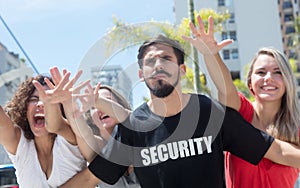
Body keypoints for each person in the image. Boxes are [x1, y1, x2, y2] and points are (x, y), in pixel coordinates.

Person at [61, 31, 300, 188]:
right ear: (141, 74)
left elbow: (275, 150)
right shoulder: (133, 127)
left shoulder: (210, 113)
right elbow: (91, 177)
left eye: (166, 58)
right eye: (150, 61)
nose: (158, 65)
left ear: (182, 69)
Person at [183, 15, 300, 188]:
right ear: (250, 83)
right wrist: (211, 54)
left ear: (287, 81)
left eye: (278, 72)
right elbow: (225, 87)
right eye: (261, 72)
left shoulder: (296, 126)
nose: (269, 78)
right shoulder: (242, 113)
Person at [33, 67, 140, 188]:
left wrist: (97, 100)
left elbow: (128, 118)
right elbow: (83, 134)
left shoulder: (142, 132)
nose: (99, 109)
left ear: (120, 105)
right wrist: (68, 102)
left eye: (106, 101)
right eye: (93, 107)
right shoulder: (99, 148)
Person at [0, 74, 86, 188]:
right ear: (24, 108)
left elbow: (56, 125)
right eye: (34, 99)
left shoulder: (69, 136)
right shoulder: (21, 146)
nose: (41, 104)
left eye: (50, 99)